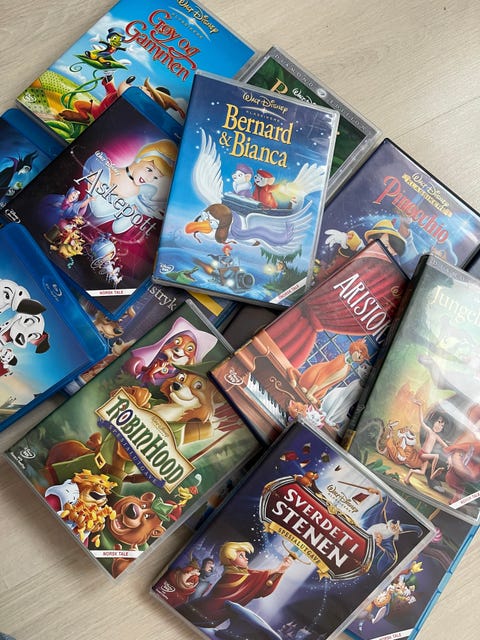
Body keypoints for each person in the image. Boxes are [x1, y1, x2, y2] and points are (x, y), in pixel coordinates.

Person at [176, 541, 293, 628]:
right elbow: (254, 578)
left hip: (208, 617)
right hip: (197, 611)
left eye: (245, 555)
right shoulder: (232, 575)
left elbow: (261, 590)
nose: (246, 559)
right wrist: (278, 569)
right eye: (241, 556)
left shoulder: (244, 574)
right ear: (230, 560)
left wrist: (281, 571)